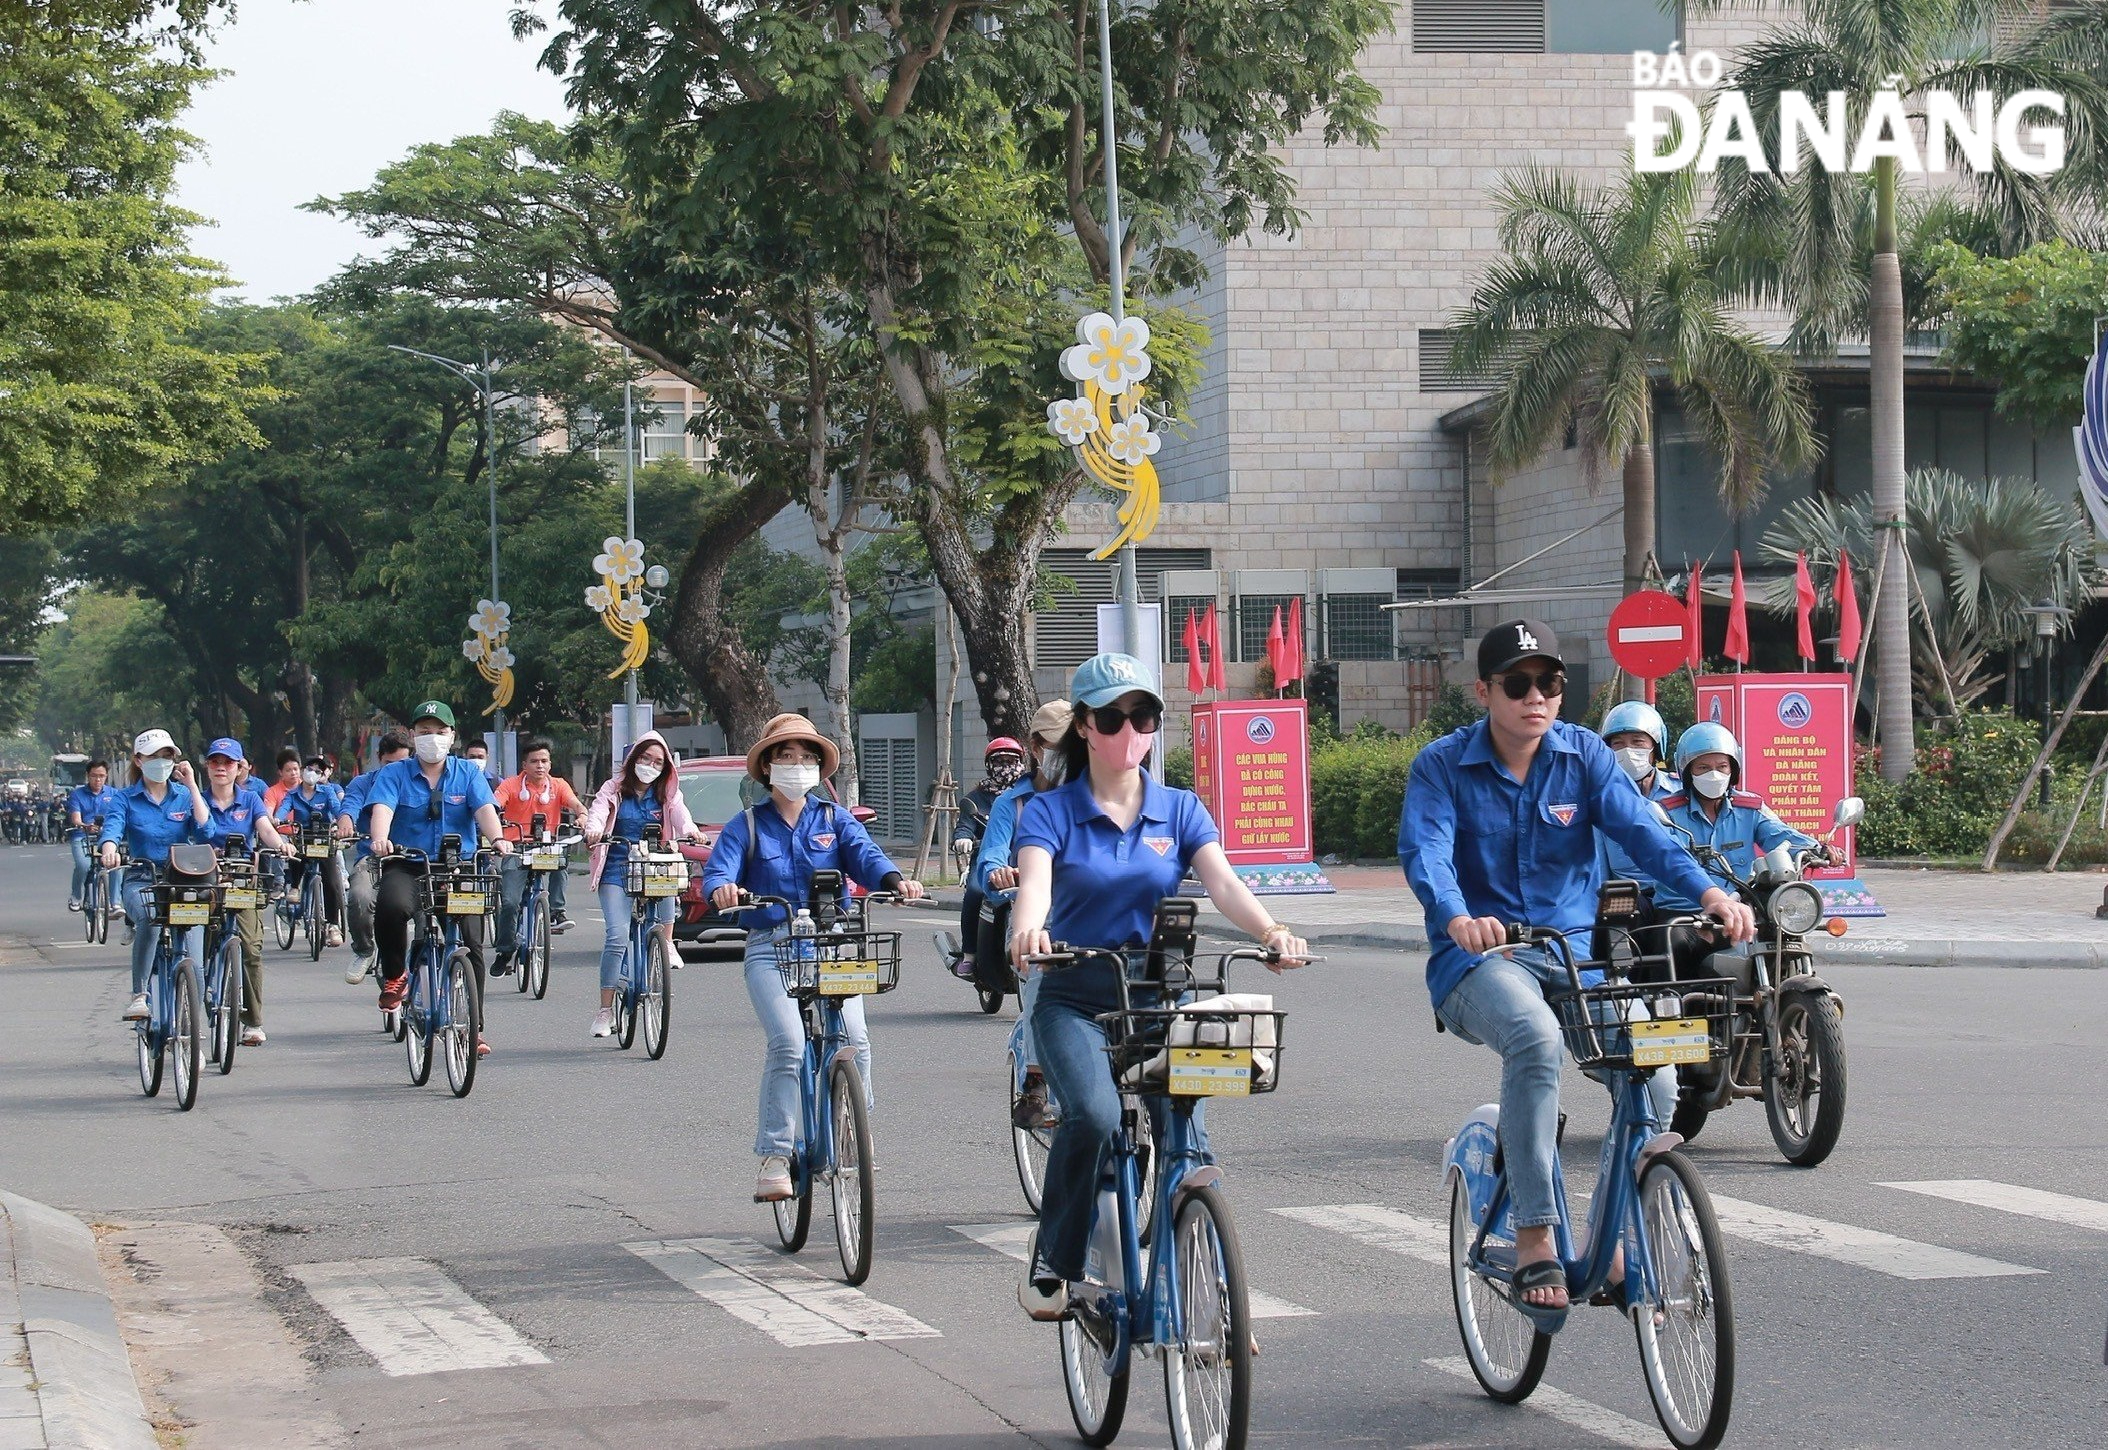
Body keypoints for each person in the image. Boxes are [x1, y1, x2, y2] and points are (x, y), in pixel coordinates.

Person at [1397, 620, 1756, 1313]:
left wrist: (1714, 892)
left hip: (1572, 956)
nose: (1537, 697)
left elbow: (1643, 833)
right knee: (1533, 1039)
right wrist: (1456, 916)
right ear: (1485, 691)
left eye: (1551, 683)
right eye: (1519, 684)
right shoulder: (1441, 766)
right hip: (1479, 961)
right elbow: (1427, 854)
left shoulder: (1585, 755)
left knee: (1654, 1068)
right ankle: (1536, 1233)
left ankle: (1614, 1232)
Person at [1007, 654, 1310, 1321]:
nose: (1130, 732)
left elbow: (1225, 884)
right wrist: (1027, 933)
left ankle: (1211, 1296)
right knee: (1094, 1114)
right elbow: (1035, 888)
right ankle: (1055, 1256)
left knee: (1188, 1138)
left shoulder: (1180, 808)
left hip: (1157, 996)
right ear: (1085, 727)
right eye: (1113, 718)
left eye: (1143, 717)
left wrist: (1273, 933)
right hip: (1076, 998)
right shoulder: (1049, 813)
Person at [702, 713, 926, 1203]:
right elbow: (717, 873)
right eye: (786, 756)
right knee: (789, 1043)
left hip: (834, 942)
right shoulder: (746, 826)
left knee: (858, 1040)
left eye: (806, 757)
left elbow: (867, 856)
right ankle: (776, 1153)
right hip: (772, 946)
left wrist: (895, 882)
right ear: (766, 767)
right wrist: (724, 890)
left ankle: (854, 1134)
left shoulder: (833, 818)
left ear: (819, 767)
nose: (797, 765)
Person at [365, 702, 510, 1058]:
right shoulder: (394, 774)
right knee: (391, 907)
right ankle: (396, 975)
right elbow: (382, 808)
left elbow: (484, 810)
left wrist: (499, 839)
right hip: (408, 864)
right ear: (413, 736)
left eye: (440, 731)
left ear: (452, 736)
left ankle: (474, 1029)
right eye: (425, 731)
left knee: (472, 943)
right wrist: (380, 838)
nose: (433, 738)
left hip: (458, 868)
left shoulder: (468, 773)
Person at [1648, 721, 1818, 978]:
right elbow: (1668, 856)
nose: (1713, 774)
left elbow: (1781, 836)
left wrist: (1817, 849)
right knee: (1674, 947)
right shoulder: (1666, 812)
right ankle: (1675, 1009)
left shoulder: (1749, 808)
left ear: (1733, 770)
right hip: (1685, 913)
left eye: (1721, 766)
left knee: (1781, 938)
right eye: (1703, 767)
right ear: (1687, 772)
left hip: (1742, 910)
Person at [970, 702, 1071, 1126]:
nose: (1070, 756)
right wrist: (998, 872)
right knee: (1038, 983)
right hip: (1033, 915)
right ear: (1036, 747)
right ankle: (1033, 1078)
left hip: (1087, 912)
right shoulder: (1011, 804)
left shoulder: (1096, 794)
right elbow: (991, 857)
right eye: (1059, 746)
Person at [580, 732, 703, 1034]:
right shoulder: (613, 789)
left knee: (668, 874)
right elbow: (598, 813)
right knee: (617, 937)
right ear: (634, 758)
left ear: (666, 767)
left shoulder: (667, 794)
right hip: (617, 870)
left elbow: (681, 815)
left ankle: (668, 943)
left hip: (652, 866)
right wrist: (594, 830)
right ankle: (605, 1010)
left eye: (658, 761)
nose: (650, 765)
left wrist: (691, 831)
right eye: (646, 758)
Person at [98, 729, 212, 1022]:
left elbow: (206, 830)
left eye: (167, 756)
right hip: (142, 879)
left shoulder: (184, 795)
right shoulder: (125, 799)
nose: (161, 762)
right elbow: (112, 829)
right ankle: (139, 995)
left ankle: (192, 1031)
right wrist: (109, 849)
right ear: (138, 760)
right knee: (149, 917)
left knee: (195, 962)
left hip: (183, 881)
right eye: (154, 757)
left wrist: (193, 785)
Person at [198, 739, 289, 1045]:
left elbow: (264, 829)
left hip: (241, 879)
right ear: (208, 767)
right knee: (199, 942)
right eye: (215, 762)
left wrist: (281, 845)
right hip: (206, 878)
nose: (221, 767)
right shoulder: (196, 799)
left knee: (250, 947)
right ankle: (197, 1004)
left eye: (228, 762)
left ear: (239, 768)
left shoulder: (250, 800)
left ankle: (253, 1022)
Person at [491, 738, 584, 975]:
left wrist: (582, 815)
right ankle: (505, 950)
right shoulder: (510, 786)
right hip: (515, 848)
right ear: (525, 764)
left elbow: (575, 803)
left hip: (546, 847)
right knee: (510, 902)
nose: (539, 766)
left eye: (544, 761)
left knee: (560, 860)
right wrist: (493, 820)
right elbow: (493, 805)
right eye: (534, 761)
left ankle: (556, 911)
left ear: (550, 764)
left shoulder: (558, 785)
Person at [336, 731, 413, 985]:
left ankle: (426, 956)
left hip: (411, 860)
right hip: (372, 858)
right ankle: (364, 950)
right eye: (391, 764)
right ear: (380, 759)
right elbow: (350, 805)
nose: (397, 769)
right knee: (359, 897)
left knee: (430, 909)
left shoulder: (418, 782)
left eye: (403, 763)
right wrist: (346, 821)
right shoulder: (363, 783)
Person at [950, 738, 1028, 980]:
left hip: (1024, 858)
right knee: (974, 891)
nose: (1006, 767)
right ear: (988, 765)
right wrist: (963, 838)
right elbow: (965, 826)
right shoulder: (977, 798)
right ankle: (970, 954)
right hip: (986, 858)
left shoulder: (1032, 795)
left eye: (1011, 761)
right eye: (999, 762)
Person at [275, 754, 346, 948]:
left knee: (332, 882)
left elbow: (338, 809)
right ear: (303, 770)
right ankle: (295, 887)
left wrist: (343, 822)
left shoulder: (327, 792)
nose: (312, 773)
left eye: (318, 771)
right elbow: (283, 809)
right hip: (303, 836)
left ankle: (333, 925)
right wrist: (278, 819)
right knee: (295, 853)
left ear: (322, 775)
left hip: (324, 838)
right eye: (310, 768)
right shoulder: (293, 794)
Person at [65, 760, 120, 911]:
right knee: (83, 866)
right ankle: (76, 896)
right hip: (82, 837)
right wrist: (85, 826)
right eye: (94, 776)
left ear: (106, 776)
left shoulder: (114, 794)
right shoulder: (77, 794)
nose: (98, 779)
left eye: (101, 776)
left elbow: (119, 816)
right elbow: (76, 819)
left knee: (115, 863)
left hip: (106, 836)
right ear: (88, 776)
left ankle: (115, 902)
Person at [261, 748, 301, 819]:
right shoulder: (272, 792)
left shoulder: (308, 788)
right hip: (281, 829)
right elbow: (268, 812)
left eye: (295, 769)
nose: (293, 773)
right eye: (288, 770)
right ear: (280, 772)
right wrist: (272, 820)